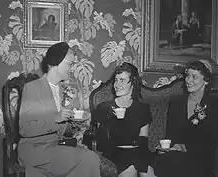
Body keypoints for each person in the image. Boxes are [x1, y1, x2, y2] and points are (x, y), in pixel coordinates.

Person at [17, 42, 101, 177]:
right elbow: (24, 129)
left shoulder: (63, 90)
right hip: (34, 150)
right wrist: (56, 118)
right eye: (69, 64)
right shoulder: (32, 88)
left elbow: (62, 130)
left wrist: (73, 125)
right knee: (90, 159)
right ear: (56, 63)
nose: (71, 68)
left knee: (86, 159)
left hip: (55, 148)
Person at [154, 60, 218, 177]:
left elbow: (212, 140)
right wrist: (166, 148)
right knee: (156, 161)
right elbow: (170, 135)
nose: (188, 80)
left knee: (171, 162)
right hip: (175, 156)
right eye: (187, 76)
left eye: (194, 77)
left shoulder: (214, 104)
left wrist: (185, 147)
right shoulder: (176, 103)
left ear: (206, 80)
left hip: (201, 158)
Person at [93, 62, 152, 177]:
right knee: (131, 168)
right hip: (115, 153)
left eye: (122, 80)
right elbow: (99, 142)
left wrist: (139, 153)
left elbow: (143, 140)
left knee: (147, 173)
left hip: (137, 153)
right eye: (116, 80)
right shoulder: (104, 108)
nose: (117, 84)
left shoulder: (142, 109)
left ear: (133, 83)